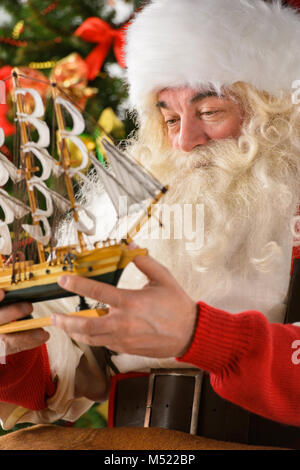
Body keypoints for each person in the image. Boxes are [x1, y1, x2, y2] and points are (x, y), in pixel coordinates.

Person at [1, 0, 300, 449]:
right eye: (171, 118)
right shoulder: (123, 213)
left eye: (211, 111)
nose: (184, 141)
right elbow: (55, 375)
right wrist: (12, 339)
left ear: (273, 112)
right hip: (128, 447)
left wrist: (199, 335)